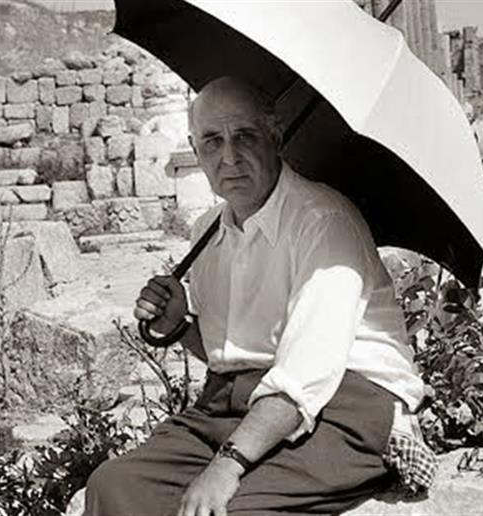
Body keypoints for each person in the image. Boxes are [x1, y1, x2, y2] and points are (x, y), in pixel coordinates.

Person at [85, 76, 426, 516]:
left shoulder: (323, 223)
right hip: (241, 409)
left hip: (342, 408)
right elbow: (234, 354)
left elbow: (304, 378)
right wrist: (179, 326)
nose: (229, 157)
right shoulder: (207, 232)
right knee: (114, 485)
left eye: (244, 136)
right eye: (212, 141)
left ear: (275, 136)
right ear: (195, 149)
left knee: (225, 510)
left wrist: (226, 467)